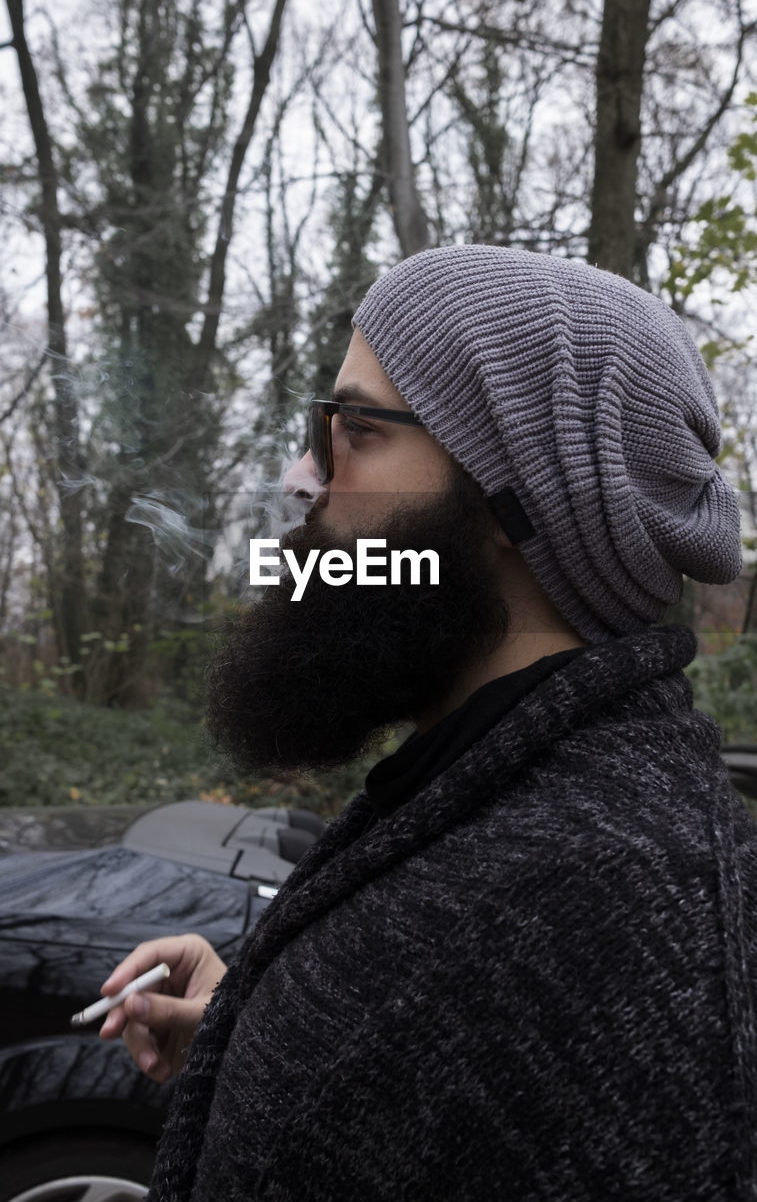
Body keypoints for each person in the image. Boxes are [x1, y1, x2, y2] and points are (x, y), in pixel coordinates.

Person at [99, 245, 757, 1200]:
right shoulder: (501, 788)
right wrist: (257, 1021)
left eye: (354, 428)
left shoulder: (600, 900)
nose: (299, 477)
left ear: (516, 501)